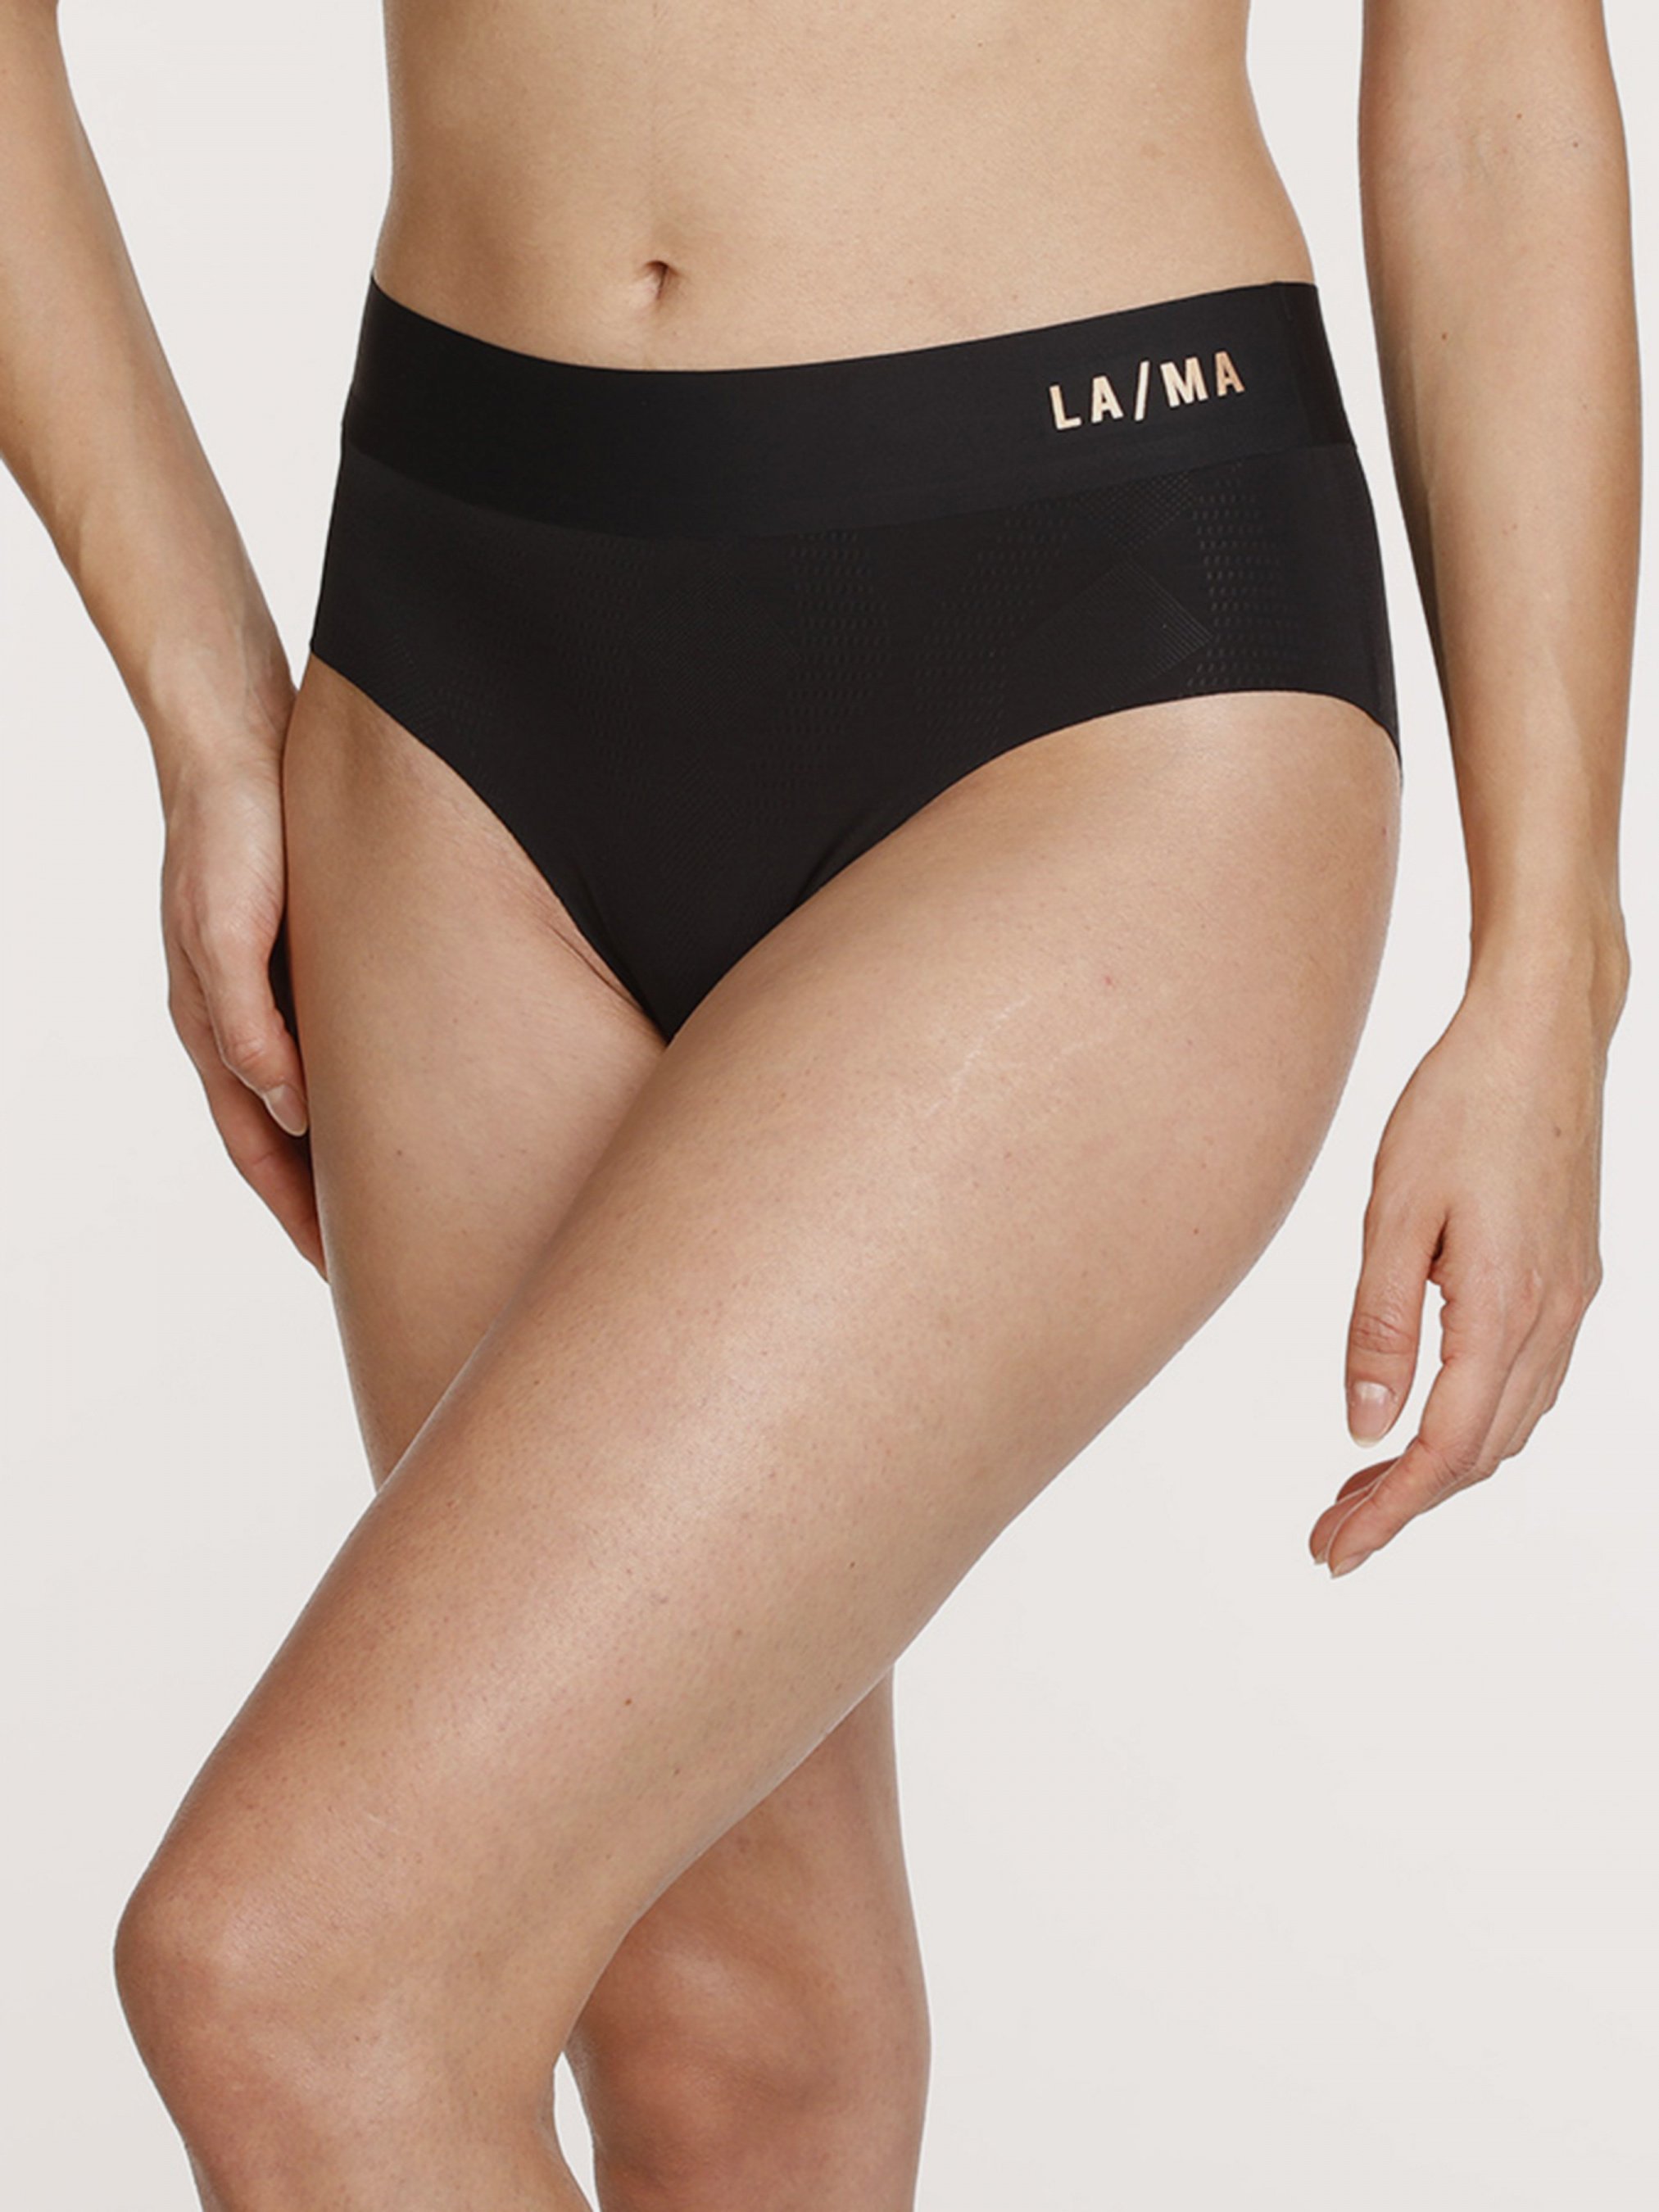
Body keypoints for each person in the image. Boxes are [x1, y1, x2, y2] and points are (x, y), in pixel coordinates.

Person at [0, 0, 1637, 2204]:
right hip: (452, 680)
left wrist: (1548, 960)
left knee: (293, 1980)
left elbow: (1492, 94)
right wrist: (209, 713)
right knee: (735, 2053)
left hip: (1091, 637)